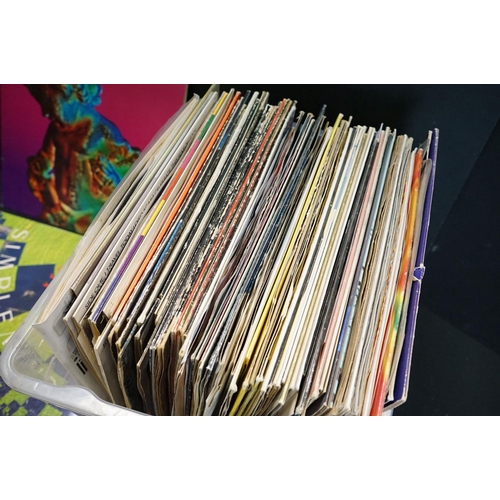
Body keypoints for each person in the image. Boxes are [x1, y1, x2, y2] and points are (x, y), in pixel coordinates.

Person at [26, 84, 140, 234]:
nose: (44, 112)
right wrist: (53, 202)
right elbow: (42, 167)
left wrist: (114, 184)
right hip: (63, 215)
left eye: (48, 102)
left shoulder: (102, 132)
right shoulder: (56, 129)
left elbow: (130, 176)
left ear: (69, 92)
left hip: (93, 219)